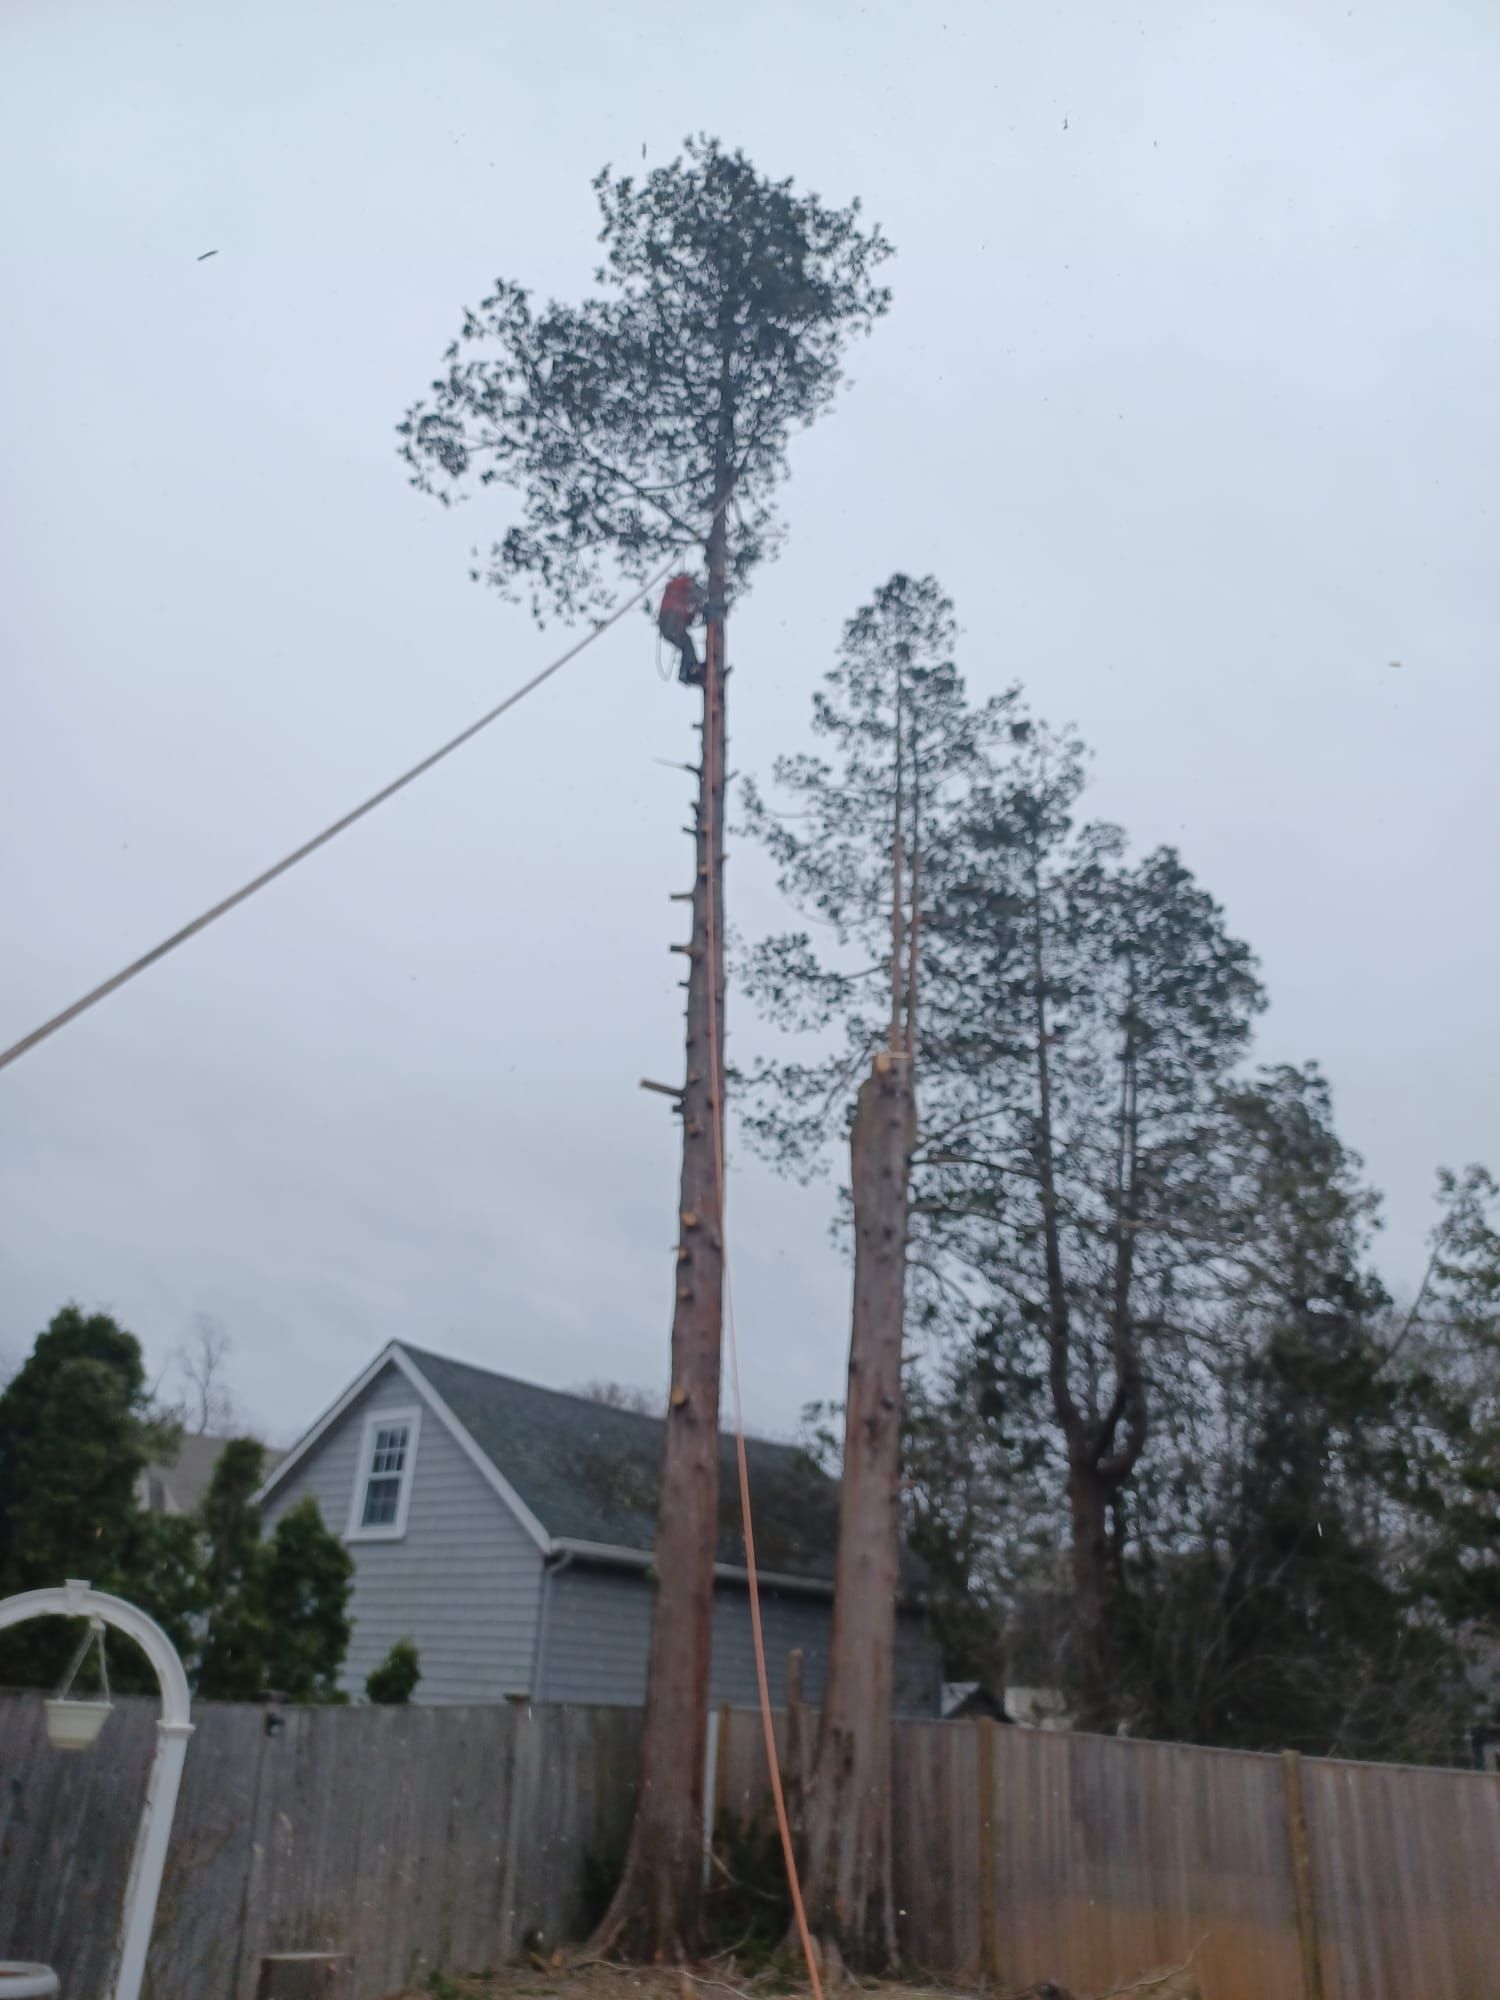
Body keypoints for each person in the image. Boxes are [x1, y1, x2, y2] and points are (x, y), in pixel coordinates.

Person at [657, 574, 706, 685]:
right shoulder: (677, 589)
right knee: (686, 644)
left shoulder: (682, 598)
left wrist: (696, 612)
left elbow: (687, 619)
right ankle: (687, 670)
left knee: (687, 645)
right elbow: (679, 587)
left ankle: (690, 668)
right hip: (669, 625)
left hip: (671, 627)